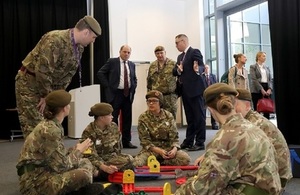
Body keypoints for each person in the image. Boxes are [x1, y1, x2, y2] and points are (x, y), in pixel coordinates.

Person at [174, 83, 282, 195]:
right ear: (235, 103)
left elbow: (203, 188)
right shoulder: (254, 127)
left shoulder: (224, 139)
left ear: (210, 110)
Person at [15, 15, 102, 138]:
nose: (93, 41)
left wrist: (56, 96)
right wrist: (46, 96)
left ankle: (49, 157)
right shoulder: (55, 39)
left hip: (49, 90)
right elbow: (42, 70)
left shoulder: (79, 47)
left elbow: (68, 75)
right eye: (93, 37)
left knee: (50, 127)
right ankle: (34, 157)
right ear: (86, 32)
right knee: (34, 129)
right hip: (30, 85)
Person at [16, 90, 104, 195]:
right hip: (35, 183)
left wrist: (75, 150)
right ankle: (81, 188)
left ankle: (82, 186)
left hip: (44, 171)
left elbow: (55, 156)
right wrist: (78, 151)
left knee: (84, 161)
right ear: (64, 109)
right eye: (68, 104)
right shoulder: (51, 130)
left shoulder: (51, 124)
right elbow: (62, 166)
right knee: (83, 174)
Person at [235, 88, 292, 188]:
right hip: (274, 173)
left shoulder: (253, 124)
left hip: (276, 179)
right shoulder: (250, 119)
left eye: (235, 105)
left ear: (247, 106)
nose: (232, 109)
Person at [133, 90, 191, 167]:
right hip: (152, 150)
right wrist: (159, 151)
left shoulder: (168, 116)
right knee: (137, 164)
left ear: (160, 103)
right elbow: (145, 141)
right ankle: (159, 161)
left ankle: (158, 162)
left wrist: (174, 150)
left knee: (185, 159)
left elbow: (174, 137)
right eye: (149, 101)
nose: (151, 103)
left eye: (154, 101)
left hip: (168, 149)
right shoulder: (143, 118)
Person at [97, 45, 138, 149]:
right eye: (124, 52)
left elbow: (134, 78)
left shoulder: (132, 64)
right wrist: (108, 86)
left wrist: (133, 86)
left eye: (128, 52)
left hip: (127, 95)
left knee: (127, 119)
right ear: (120, 51)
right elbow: (100, 73)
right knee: (113, 118)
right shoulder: (112, 62)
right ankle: (113, 141)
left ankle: (126, 141)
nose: (126, 54)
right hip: (115, 94)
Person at [81, 102, 134, 181]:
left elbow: (117, 148)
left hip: (111, 159)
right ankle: (101, 173)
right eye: (109, 115)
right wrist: (104, 167)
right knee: (85, 165)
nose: (112, 117)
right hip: (96, 162)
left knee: (129, 159)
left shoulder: (113, 126)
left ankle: (106, 172)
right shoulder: (89, 132)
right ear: (101, 118)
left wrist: (116, 160)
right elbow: (89, 155)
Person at [172, 34, 206, 151]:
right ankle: (189, 141)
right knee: (190, 118)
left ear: (183, 41)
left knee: (199, 117)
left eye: (177, 43)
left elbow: (201, 65)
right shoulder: (180, 57)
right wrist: (178, 70)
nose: (175, 45)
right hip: (185, 91)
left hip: (196, 90)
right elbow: (175, 72)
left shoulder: (194, 52)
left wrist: (198, 70)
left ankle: (200, 142)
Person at [147, 46, 178, 119]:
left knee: (171, 118)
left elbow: (179, 78)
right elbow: (149, 82)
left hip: (170, 97)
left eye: (161, 53)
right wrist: (149, 96)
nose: (160, 55)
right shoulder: (152, 66)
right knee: (156, 118)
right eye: (157, 53)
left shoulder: (173, 64)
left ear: (165, 53)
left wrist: (177, 93)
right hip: (156, 97)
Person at [250, 51, 273, 119]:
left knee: (267, 108)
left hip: (267, 87)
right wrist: (261, 89)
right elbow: (254, 79)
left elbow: (270, 79)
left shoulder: (267, 67)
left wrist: (270, 89)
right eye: (263, 56)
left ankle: (267, 126)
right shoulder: (253, 67)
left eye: (265, 56)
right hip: (257, 89)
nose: (265, 57)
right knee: (257, 109)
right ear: (258, 57)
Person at [201, 64, 218, 129]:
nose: (206, 69)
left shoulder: (213, 76)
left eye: (208, 68)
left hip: (212, 96)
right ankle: (203, 124)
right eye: (205, 68)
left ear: (210, 69)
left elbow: (216, 85)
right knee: (203, 111)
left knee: (213, 110)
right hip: (204, 96)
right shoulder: (201, 77)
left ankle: (214, 124)